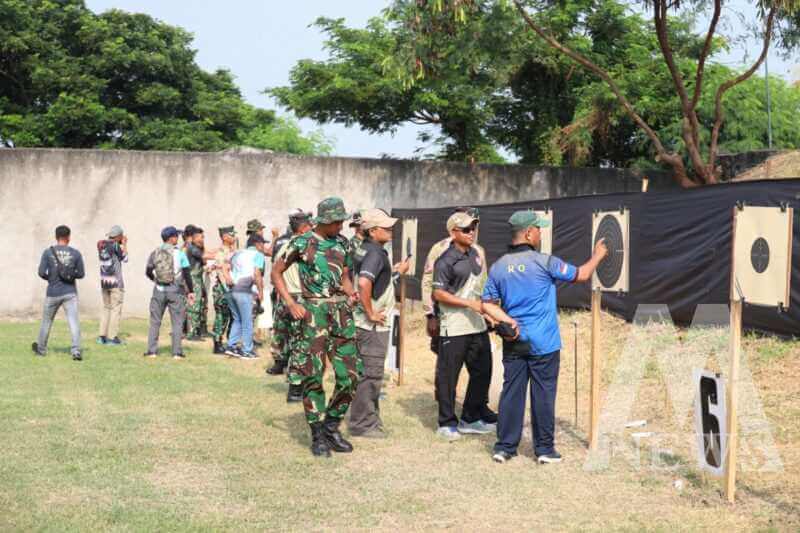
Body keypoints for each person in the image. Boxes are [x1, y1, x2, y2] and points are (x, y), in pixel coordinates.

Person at [482, 210, 608, 464]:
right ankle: (544, 450)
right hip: (544, 344)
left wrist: (507, 321)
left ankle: (504, 447)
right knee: (543, 394)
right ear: (529, 233)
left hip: (514, 343)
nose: (541, 233)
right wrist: (599, 255)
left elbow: (486, 304)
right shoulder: (544, 262)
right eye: (539, 229)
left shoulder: (498, 266)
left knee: (512, 393)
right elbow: (581, 275)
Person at [271, 197, 361, 458]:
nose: (341, 225)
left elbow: (344, 275)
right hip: (313, 314)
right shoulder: (301, 242)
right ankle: (318, 434)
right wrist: (290, 303)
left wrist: (351, 293)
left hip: (341, 313)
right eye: (337, 221)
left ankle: (332, 425)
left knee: (350, 375)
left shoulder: (343, 242)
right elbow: (276, 272)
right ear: (324, 221)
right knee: (313, 375)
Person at [431, 211, 497, 440]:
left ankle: (470, 417)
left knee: (483, 371)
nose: (472, 233)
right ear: (453, 232)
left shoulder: (477, 254)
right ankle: (447, 422)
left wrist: (490, 310)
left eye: (474, 228)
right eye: (466, 229)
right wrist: (468, 303)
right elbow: (438, 293)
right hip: (455, 326)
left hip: (477, 325)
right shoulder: (445, 260)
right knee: (449, 376)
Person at [348, 209, 409, 438]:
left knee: (366, 374)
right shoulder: (375, 253)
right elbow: (364, 283)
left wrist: (395, 272)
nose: (391, 230)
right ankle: (362, 425)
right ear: (373, 231)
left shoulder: (364, 249)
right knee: (371, 376)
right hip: (371, 326)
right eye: (386, 227)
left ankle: (370, 419)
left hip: (363, 323)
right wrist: (371, 312)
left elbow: (363, 280)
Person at [421, 207, 487, 353]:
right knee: (447, 365)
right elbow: (427, 282)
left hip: (474, 319)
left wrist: (487, 310)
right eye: (467, 227)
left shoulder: (479, 251)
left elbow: (482, 281)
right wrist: (430, 315)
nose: (472, 230)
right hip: (447, 318)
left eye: (474, 226)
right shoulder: (440, 249)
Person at [266, 209, 313, 388]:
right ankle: (295, 381)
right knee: (299, 339)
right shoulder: (303, 246)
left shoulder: (283, 245)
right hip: (297, 296)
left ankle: (280, 364)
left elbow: (273, 274)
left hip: (284, 296)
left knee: (281, 333)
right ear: (303, 229)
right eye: (310, 226)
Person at [33, 225, 86, 361]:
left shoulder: (47, 252)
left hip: (52, 292)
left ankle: (41, 349)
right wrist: (70, 276)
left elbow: (40, 272)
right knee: (73, 322)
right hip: (70, 293)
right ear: (68, 237)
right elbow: (81, 274)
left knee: (46, 322)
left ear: (56, 237)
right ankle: (76, 351)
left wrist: (50, 278)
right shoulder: (76, 253)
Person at [144, 226, 196, 359]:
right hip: (175, 290)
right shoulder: (180, 254)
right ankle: (177, 352)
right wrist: (190, 291)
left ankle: (152, 351)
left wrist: (155, 279)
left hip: (159, 290)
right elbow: (187, 274)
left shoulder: (155, 252)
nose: (177, 238)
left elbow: (148, 271)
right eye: (176, 236)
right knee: (177, 322)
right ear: (172, 238)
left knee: (155, 321)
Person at [224, 233, 266, 359]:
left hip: (231, 290)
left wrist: (228, 278)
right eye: (263, 244)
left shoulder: (237, 253)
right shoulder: (258, 255)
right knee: (247, 321)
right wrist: (261, 291)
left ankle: (231, 346)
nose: (264, 246)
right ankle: (247, 350)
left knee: (238, 319)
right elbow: (257, 273)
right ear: (257, 244)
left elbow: (226, 267)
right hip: (244, 290)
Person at [96, 224, 128, 346]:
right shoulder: (115, 245)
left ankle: (102, 336)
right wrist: (124, 244)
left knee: (106, 308)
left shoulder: (101, 245)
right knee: (116, 309)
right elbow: (125, 259)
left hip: (105, 280)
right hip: (116, 281)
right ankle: (112, 338)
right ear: (118, 236)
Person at [211, 226, 237, 354]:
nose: (234, 237)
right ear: (225, 237)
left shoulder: (231, 251)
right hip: (223, 289)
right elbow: (221, 272)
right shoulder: (222, 252)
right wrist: (227, 287)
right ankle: (217, 343)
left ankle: (229, 342)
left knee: (231, 316)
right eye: (232, 235)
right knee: (222, 316)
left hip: (229, 288)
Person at [185, 226, 212, 341]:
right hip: (193, 279)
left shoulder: (197, 248)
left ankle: (198, 330)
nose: (203, 239)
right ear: (195, 238)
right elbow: (205, 256)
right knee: (193, 306)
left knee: (200, 305)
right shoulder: (192, 248)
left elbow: (204, 259)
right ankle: (191, 333)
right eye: (201, 237)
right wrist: (221, 256)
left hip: (198, 278)